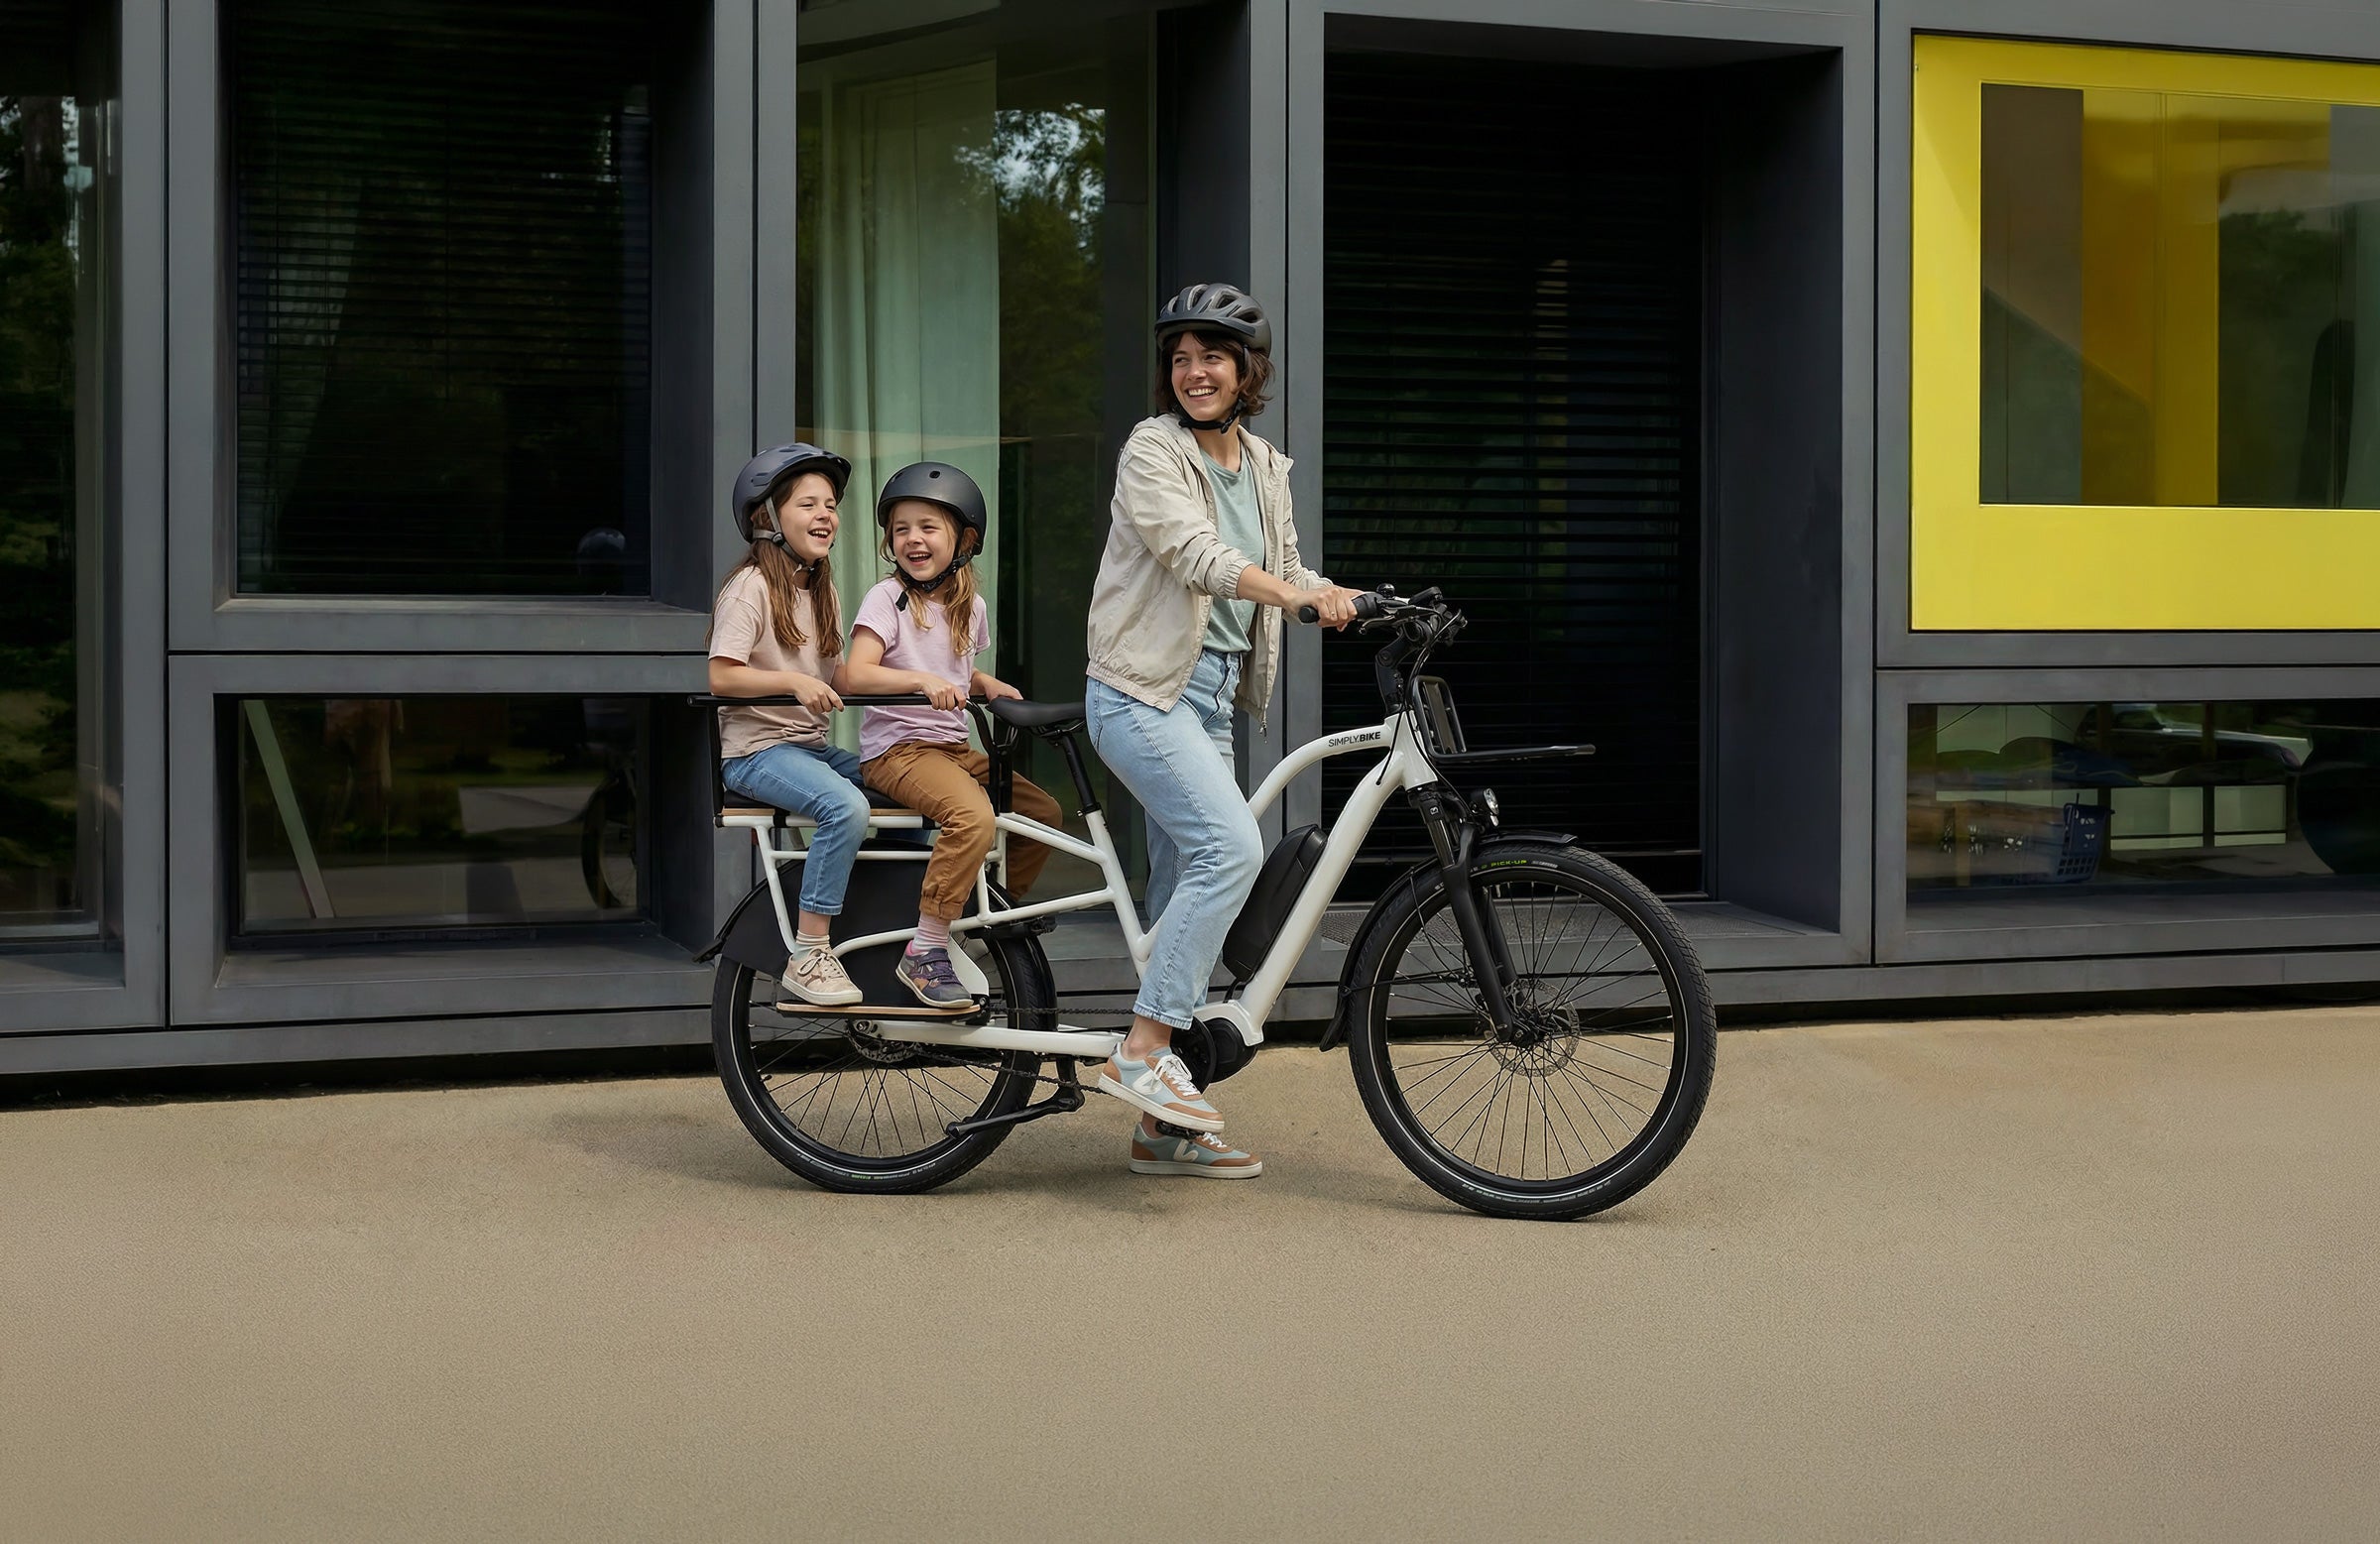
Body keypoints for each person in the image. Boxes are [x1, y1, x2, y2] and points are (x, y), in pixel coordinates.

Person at [1086, 283, 1367, 1179]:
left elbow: (1283, 565)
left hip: (1206, 700)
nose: (1194, 371)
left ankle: (1157, 1130)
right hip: (1140, 692)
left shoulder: (1265, 464)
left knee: (1185, 904)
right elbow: (1195, 556)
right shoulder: (1152, 450)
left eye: (1212, 356)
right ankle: (1139, 1052)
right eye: (1180, 357)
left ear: (1249, 371)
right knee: (1232, 851)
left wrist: (1350, 594)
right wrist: (1293, 596)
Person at [841, 461, 1064, 1010]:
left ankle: (987, 911)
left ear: (964, 540)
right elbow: (854, 675)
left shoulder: (971, 607)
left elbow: (956, 669)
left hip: (953, 749)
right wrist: (920, 681)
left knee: (1043, 816)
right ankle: (926, 948)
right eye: (901, 530)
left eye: (927, 527)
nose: (913, 539)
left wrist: (984, 683)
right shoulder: (887, 598)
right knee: (974, 818)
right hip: (898, 751)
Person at [708, 442, 871, 1009]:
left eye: (830, 504)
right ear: (768, 518)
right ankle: (810, 952)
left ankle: (888, 919)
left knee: (908, 785)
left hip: (809, 749)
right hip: (757, 751)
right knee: (846, 806)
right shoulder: (750, 587)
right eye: (807, 504)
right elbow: (722, 677)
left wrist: (931, 679)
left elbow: (839, 674)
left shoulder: (818, 587)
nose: (825, 514)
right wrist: (791, 684)